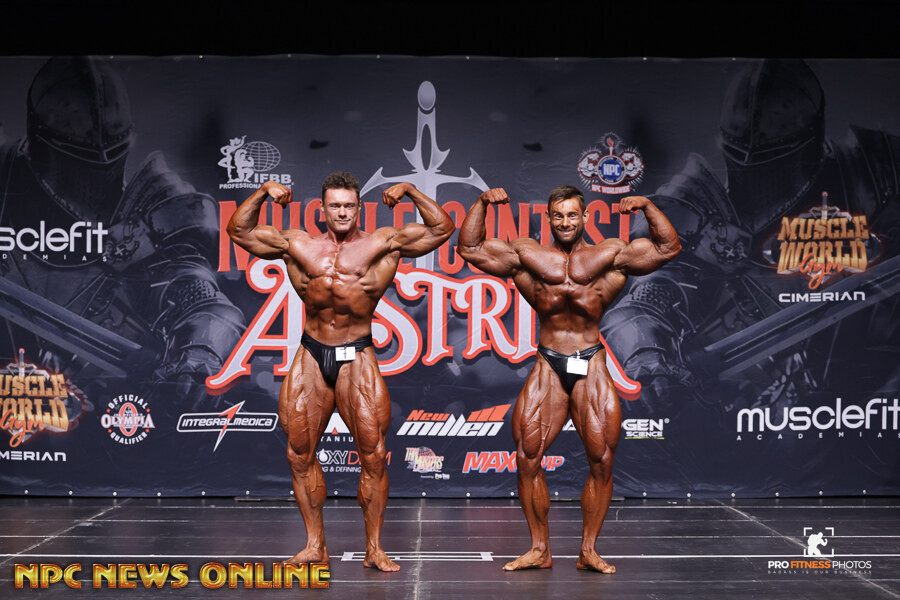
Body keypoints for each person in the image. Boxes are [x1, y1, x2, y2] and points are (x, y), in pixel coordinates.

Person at [227, 173, 455, 572]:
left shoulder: (383, 243)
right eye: (335, 206)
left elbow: (441, 229)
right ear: (322, 209)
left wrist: (411, 191)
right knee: (299, 453)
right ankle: (315, 545)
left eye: (349, 205)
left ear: (359, 208)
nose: (343, 212)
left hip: (357, 355)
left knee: (374, 455)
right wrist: (263, 192)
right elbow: (239, 231)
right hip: (311, 354)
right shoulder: (298, 244)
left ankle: (374, 548)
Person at [457, 186, 680, 572]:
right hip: (549, 362)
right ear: (548, 218)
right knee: (527, 456)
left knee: (602, 459)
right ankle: (539, 549)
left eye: (572, 215)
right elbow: (470, 248)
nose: (565, 222)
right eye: (558, 215)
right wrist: (481, 203)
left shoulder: (611, 254)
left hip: (589, 361)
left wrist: (647, 206)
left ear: (585, 217)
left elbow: (667, 248)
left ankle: (588, 550)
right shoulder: (527, 254)